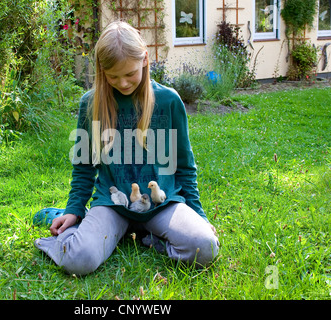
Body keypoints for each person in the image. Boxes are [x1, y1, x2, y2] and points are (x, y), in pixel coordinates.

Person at [34, 21, 219, 275]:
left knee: (205, 248)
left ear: (144, 59)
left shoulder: (169, 101)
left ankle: (148, 237)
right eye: (113, 76)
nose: (122, 83)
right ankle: (82, 225)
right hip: (112, 207)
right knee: (79, 260)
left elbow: (185, 166)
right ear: (102, 70)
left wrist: (199, 216)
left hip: (162, 206)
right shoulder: (90, 104)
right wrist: (74, 210)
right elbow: (84, 166)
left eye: (130, 73)